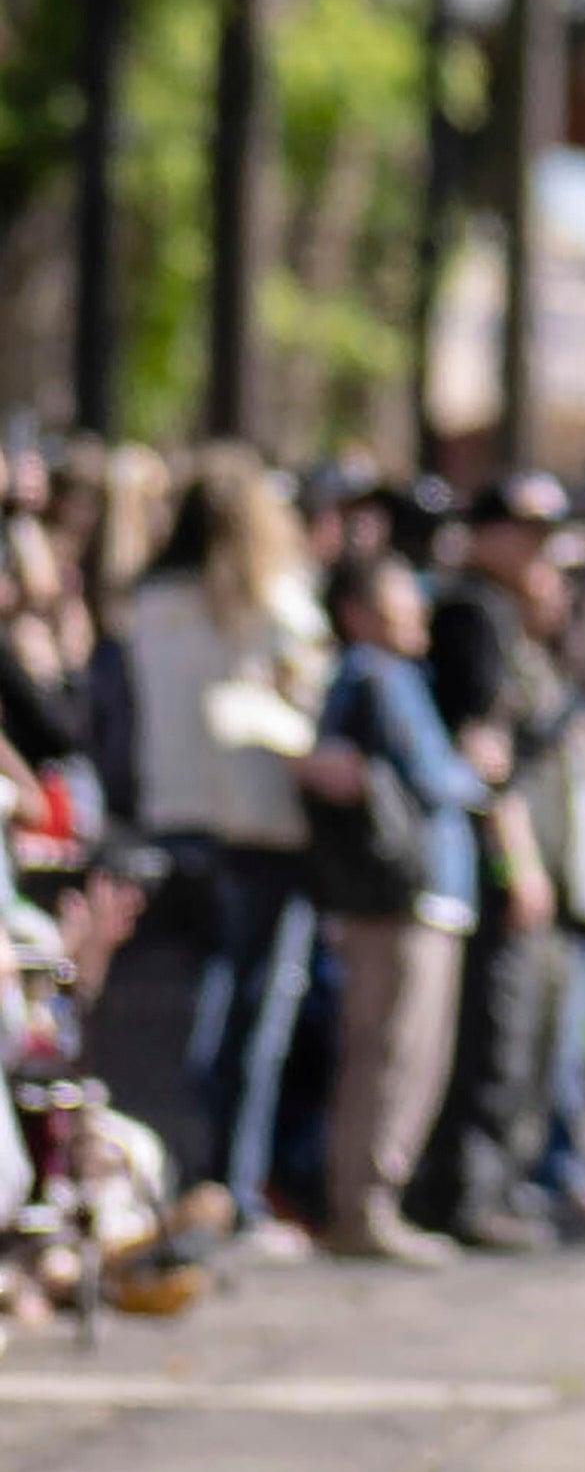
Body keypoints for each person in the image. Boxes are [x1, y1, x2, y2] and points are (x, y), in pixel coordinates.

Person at [117, 453, 331, 1237]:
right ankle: (232, 1188)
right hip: (259, 821)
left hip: (174, 811)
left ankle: (184, 1175)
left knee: (188, 1008)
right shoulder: (269, 599)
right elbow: (313, 685)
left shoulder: (151, 600)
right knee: (254, 1015)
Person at [410, 477, 585, 1250]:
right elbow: (488, 753)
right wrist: (519, 864)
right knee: (495, 1031)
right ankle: (468, 1191)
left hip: (529, 857)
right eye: (525, 531)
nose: (540, 550)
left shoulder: (515, 620)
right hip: (493, 860)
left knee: (529, 1032)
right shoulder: (470, 613)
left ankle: (501, 1183)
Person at [302, 550, 491, 1265]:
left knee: (386, 1048)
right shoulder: (379, 675)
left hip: (399, 892)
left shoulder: (373, 676)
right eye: (395, 602)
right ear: (356, 611)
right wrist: (477, 769)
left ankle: (367, 1199)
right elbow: (433, 775)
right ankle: (368, 1202)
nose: (413, 615)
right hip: (409, 890)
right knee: (397, 1050)